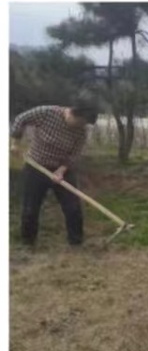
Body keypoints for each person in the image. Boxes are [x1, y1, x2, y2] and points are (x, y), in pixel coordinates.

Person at [11, 99, 100, 247]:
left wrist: (61, 170)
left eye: (84, 124)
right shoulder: (47, 113)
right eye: (81, 122)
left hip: (62, 170)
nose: (81, 126)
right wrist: (15, 142)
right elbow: (21, 119)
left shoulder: (81, 132)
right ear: (73, 114)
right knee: (30, 208)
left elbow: (75, 154)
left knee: (73, 207)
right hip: (36, 167)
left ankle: (76, 242)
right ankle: (28, 243)